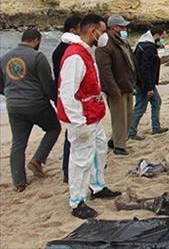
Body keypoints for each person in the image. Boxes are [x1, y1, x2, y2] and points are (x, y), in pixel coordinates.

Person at [56, 14, 121, 219]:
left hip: (92, 115)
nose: (103, 35)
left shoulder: (84, 53)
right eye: (102, 31)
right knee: (81, 159)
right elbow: (68, 93)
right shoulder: (75, 56)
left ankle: (97, 186)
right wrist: (78, 122)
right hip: (82, 118)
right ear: (93, 32)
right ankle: (77, 200)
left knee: (99, 150)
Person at [0, 28, 60, 192]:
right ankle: (38, 159)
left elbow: (1, 85)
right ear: (36, 40)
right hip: (36, 104)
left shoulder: (5, 58)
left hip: (14, 106)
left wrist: (12, 95)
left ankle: (19, 182)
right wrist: (56, 101)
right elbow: (47, 85)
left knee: (18, 144)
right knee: (54, 128)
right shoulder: (37, 57)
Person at [95, 14, 138, 156]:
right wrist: (113, 89)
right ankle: (119, 146)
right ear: (113, 28)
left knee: (128, 116)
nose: (124, 29)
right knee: (119, 118)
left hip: (127, 84)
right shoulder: (105, 45)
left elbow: (130, 61)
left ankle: (114, 140)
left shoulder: (123, 42)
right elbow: (105, 71)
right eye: (121, 27)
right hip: (116, 88)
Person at [52, 15, 81, 183]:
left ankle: (69, 169)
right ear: (73, 30)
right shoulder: (64, 51)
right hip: (70, 97)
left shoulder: (69, 49)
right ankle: (67, 170)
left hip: (69, 96)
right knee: (72, 134)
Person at [128, 28, 169, 140]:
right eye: (162, 37)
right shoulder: (149, 48)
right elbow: (145, 68)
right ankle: (131, 132)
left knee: (156, 102)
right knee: (140, 107)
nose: (162, 40)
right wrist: (149, 87)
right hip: (144, 83)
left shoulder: (142, 44)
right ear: (156, 35)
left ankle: (156, 127)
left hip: (143, 81)